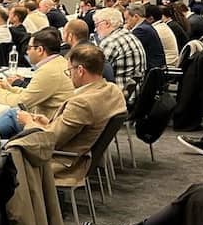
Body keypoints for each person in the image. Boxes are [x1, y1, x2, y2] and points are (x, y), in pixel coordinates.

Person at [16, 44, 127, 179]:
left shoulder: (82, 103)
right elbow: (70, 129)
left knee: (4, 153)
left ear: (80, 70)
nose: (69, 76)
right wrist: (47, 123)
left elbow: (50, 141)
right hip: (77, 154)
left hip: (62, 162)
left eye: (69, 71)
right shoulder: (112, 90)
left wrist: (29, 122)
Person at [0, 28, 72, 140]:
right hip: (53, 123)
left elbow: (21, 102)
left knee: (12, 114)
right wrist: (9, 88)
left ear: (40, 50)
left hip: (46, 128)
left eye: (29, 48)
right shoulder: (59, 63)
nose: (27, 52)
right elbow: (32, 93)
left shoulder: (48, 71)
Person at [93, 7, 146, 97]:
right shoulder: (129, 35)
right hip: (134, 93)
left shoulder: (110, 42)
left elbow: (95, 73)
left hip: (118, 97)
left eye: (97, 25)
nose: (95, 29)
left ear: (107, 23)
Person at [123, 3, 165, 70]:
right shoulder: (146, 26)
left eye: (126, 19)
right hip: (154, 67)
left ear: (136, 17)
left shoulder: (141, 30)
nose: (125, 22)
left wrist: (124, 30)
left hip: (151, 69)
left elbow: (126, 47)